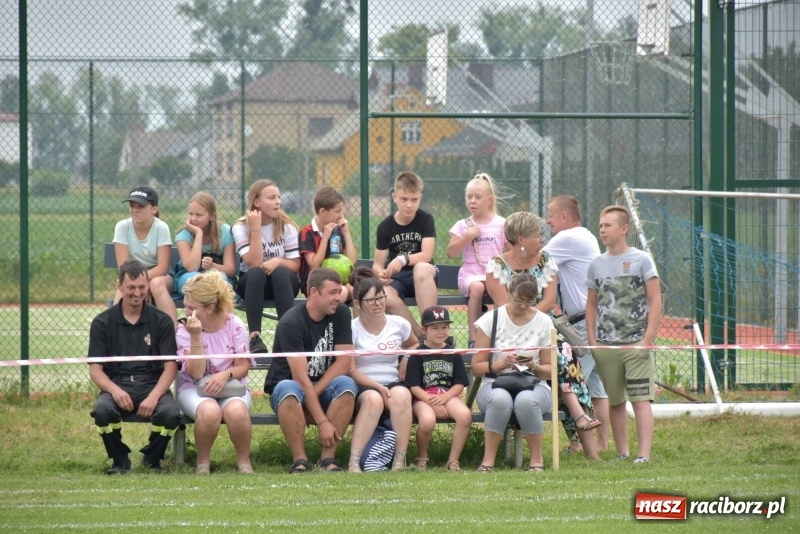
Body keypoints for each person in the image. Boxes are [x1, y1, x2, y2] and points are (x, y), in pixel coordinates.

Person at [486, 211, 601, 458]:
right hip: (509, 332)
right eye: (537, 234)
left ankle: (586, 441)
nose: (542, 239)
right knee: (564, 356)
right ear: (520, 239)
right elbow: (503, 306)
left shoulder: (545, 261)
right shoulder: (496, 266)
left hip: (543, 329)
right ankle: (582, 425)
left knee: (562, 351)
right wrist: (528, 321)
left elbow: (549, 301)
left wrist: (534, 322)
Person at [88, 260, 181, 474]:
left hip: (152, 384)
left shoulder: (162, 321)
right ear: (120, 286)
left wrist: (154, 396)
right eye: (131, 287)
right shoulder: (102, 322)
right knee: (102, 411)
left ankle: (152, 458)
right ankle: (119, 460)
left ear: (148, 286)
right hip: (117, 384)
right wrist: (115, 390)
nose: (137, 293)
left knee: (171, 413)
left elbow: (170, 367)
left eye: (142, 287)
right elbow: (95, 370)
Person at [586, 205, 661, 464]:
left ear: (624, 229)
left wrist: (647, 340)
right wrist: (593, 342)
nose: (602, 230)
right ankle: (622, 453)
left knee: (640, 400)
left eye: (607, 225)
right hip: (606, 345)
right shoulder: (596, 264)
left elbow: (655, 299)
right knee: (615, 401)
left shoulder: (641, 260)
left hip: (635, 342)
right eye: (600, 225)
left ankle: (643, 455)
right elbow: (592, 304)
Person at [264, 267, 357, 473]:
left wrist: (312, 397)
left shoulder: (341, 312)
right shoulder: (290, 322)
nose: (338, 297)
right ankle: (300, 460)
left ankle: (328, 459)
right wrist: (321, 420)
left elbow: (344, 363)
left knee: (347, 384)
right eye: (332, 292)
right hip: (290, 389)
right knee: (288, 388)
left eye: (339, 291)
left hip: (318, 389)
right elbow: (299, 377)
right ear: (314, 292)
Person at [544, 194, 610, 453]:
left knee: (570, 380)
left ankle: (577, 444)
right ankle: (601, 444)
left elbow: (533, 263)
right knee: (595, 386)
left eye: (550, 215)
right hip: (591, 319)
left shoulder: (567, 238)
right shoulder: (586, 236)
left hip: (585, 322)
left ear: (563, 216)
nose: (548, 222)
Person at [175, 271, 255, 475]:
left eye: (192, 308)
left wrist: (224, 375)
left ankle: (244, 463)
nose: (186, 311)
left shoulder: (234, 324)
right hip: (194, 387)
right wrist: (195, 337)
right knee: (210, 411)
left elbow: (242, 366)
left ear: (210, 308)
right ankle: (203, 463)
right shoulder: (184, 329)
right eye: (185, 306)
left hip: (231, 386)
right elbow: (196, 373)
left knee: (236, 411)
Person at [471, 274, 553, 472]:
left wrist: (533, 365)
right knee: (500, 399)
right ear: (509, 292)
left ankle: (536, 461)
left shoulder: (544, 321)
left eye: (529, 301)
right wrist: (500, 364)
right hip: (494, 383)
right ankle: (488, 462)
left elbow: (550, 371)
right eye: (519, 300)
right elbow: (476, 367)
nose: (523, 306)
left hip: (534, 384)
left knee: (526, 400)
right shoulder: (491, 319)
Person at [347, 267, 418, 472]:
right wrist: (377, 387)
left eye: (381, 298)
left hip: (392, 380)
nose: (378, 303)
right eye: (371, 300)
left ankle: (399, 459)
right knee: (373, 400)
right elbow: (350, 370)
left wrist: (405, 358)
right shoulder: (351, 328)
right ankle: (354, 461)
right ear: (358, 304)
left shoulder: (399, 324)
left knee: (403, 396)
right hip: (364, 382)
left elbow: (413, 344)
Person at [232, 179, 301, 354]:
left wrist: (277, 261)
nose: (278, 201)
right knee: (255, 272)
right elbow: (254, 262)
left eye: (278, 197)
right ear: (256, 202)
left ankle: (288, 336)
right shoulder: (241, 226)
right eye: (271, 198)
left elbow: (295, 265)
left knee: (280, 272)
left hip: (283, 283)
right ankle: (255, 338)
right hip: (253, 286)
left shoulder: (287, 226)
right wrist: (255, 230)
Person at [405, 305, 471, 472]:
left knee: (464, 415)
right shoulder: (417, 354)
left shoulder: (452, 352)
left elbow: (459, 383)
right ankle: (422, 457)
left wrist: (445, 398)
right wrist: (432, 402)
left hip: (446, 395)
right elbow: (413, 386)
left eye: (444, 327)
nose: (440, 331)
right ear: (424, 330)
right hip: (423, 397)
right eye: (435, 328)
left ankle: (453, 460)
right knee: (427, 420)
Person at [372, 171, 437, 337]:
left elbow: (427, 255)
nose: (409, 204)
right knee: (384, 294)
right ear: (394, 197)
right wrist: (380, 274)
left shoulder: (426, 219)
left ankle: (430, 325)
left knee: (421, 268)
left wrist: (402, 259)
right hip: (398, 278)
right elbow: (377, 264)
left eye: (414, 199)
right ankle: (423, 336)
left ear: (420, 198)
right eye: (404, 199)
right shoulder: (385, 226)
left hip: (423, 276)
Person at [447, 172, 507, 348]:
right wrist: (468, 236)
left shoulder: (501, 223)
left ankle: (498, 335)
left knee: (501, 287)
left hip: (494, 272)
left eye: (478, 197)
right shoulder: (462, 224)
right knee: (478, 287)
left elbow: (512, 250)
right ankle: (473, 339)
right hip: (471, 274)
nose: (472, 201)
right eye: (469, 197)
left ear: (489, 200)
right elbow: (451, 252)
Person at [113, 186, 178, 326]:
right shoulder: (122, 226)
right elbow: (124, 267)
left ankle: (174, 332)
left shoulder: (161, 227)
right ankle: (115, 335)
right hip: (131, 274)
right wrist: (140, 284)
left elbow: (163, 267)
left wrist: (144, 282)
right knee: (124, 289)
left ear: (154, 209)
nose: (135, 210)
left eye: (140, 206)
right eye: (132, 206)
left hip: (160, 276)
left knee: (156, 284)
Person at [299, 186, 357, 302]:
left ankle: (356, 321)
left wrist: (346, 232)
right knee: (343, 291)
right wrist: (325, 237)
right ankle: (332, 320)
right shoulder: (307, 233)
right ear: (323, 211)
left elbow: (352, 260)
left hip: (339, 281)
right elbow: (314, 265)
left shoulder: (338, 230)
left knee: (357, 291)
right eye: (337, 211)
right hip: (315, 284)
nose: (341, 215)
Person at [173, 191, 237, 296]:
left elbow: (230, 270)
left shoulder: (225, 232)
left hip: (216, 275)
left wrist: (212, 266)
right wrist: (198, 234)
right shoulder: (183, 235)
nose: (193, 218)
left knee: (219, 279)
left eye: (199, 215)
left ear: (212, 216)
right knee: (194, 280)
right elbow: (192, 267)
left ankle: (213, 312)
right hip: (189, 275)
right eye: (191, 214)